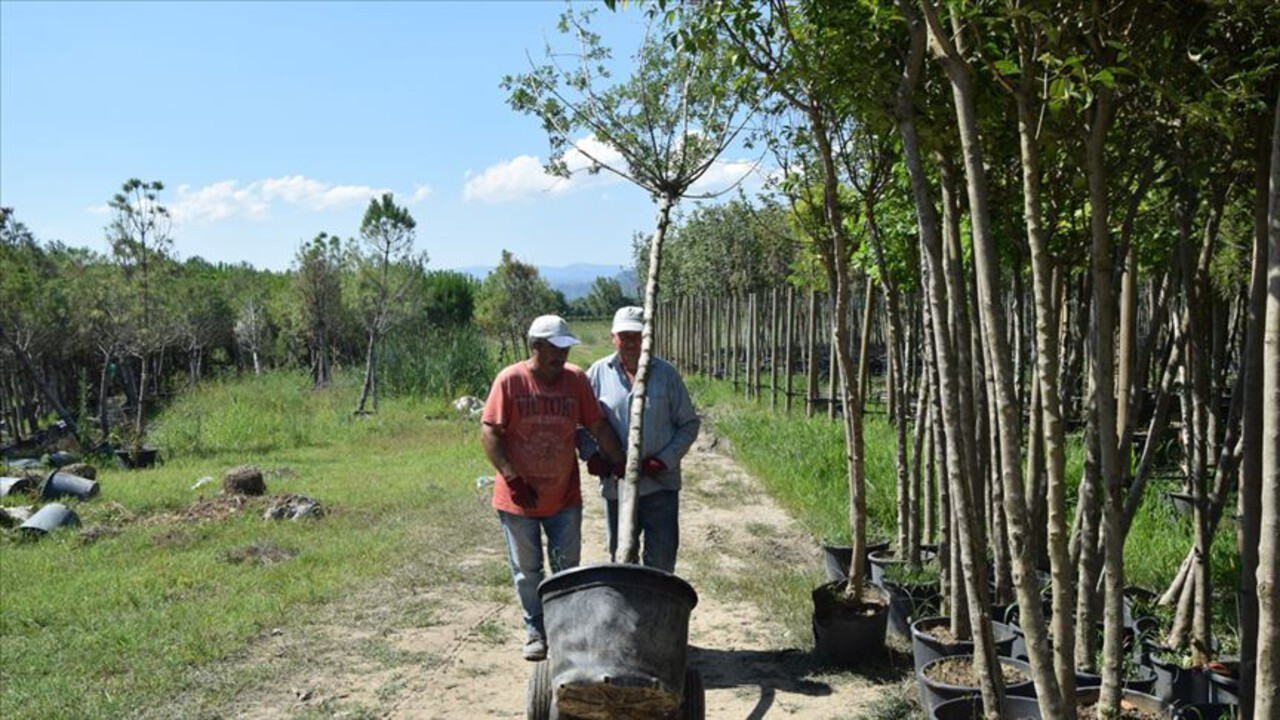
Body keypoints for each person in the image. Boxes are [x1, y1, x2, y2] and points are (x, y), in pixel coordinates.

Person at [481, 314, 624, 662]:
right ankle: (536, 627)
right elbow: (490, 433)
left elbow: (596, 424)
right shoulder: (510, 381)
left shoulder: (575, 381)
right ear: (536, 347)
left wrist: (618, 459)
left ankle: (566, 629)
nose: (561, 356)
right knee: (527, 570)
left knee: (567, 567)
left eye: (565, 349)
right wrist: (513, 478)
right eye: (554, 349)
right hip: (519, 499)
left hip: (563, 496)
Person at [579, 306, 700, 574]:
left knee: (662, 560)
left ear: (648, 338)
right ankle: (628, 614)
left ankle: (657, 612)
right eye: (625, 336)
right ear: (613, 337)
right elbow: (582, 425)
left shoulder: (666, 375)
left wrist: (663, 461)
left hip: (660, 487)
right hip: (616, 486)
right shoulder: (598, 374)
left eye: (638, 335)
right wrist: (593, 455)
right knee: (622, 558)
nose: (631, 342)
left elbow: (689, 424)